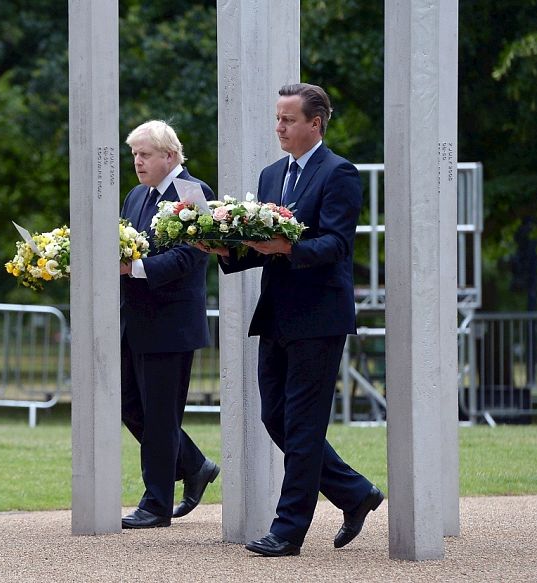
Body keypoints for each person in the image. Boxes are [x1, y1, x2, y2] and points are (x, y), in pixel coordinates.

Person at [202, 84, 383, 555]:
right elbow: (262, 250)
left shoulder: (339, 172)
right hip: (277, 315)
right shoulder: (270, 175)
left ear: (315, 123)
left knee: (303, 427)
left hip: (320, 317)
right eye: (277, 118)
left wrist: (287, 247)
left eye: (288, 119)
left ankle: (288, 531)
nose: (278, 127)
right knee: (276, 418)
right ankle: (354, 493)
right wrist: (224, 250)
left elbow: (338, 246)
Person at [118, 120, 220, 529]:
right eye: (134, 154)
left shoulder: (195, 194)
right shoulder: (136, 195)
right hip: (136, 319)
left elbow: (191, 257)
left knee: (160, 415)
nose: (137, 162)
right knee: (129, 406)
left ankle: (156, 503)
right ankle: (194, 464)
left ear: (170, 156)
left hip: (171, 322)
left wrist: (134, 267)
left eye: (144, 154)